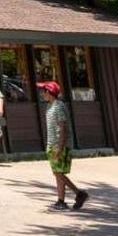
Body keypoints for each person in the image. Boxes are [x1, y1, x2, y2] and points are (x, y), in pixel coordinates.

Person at [38, 81, 88, 211]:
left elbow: (62, 128)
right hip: (52, 144)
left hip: (60, 145)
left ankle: (79, 194)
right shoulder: (50, 106)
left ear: (48, 92)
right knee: (57, 173)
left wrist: (59, 147)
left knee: (59, 173)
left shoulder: (59, 106)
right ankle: (61, 201)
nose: (41, 93)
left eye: (43, 91)